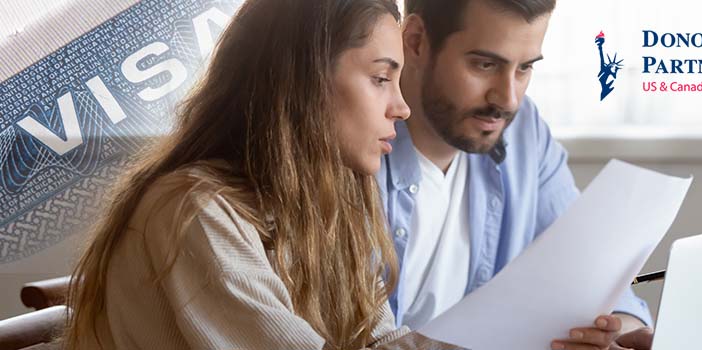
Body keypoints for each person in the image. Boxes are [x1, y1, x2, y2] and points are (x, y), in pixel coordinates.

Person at [63, 0, 583, 349]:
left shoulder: (334, 198)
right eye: (381, 78)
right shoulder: (195, 210)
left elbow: (378, 343)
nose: (401, 108)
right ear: (303, 82)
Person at [377, 0, 655, 349]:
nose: (507, 99)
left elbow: (598, 280)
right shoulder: (351, 147)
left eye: (524, 68)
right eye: (485, 64)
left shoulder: (524, 133)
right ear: (415, 41)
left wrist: (616, 333)